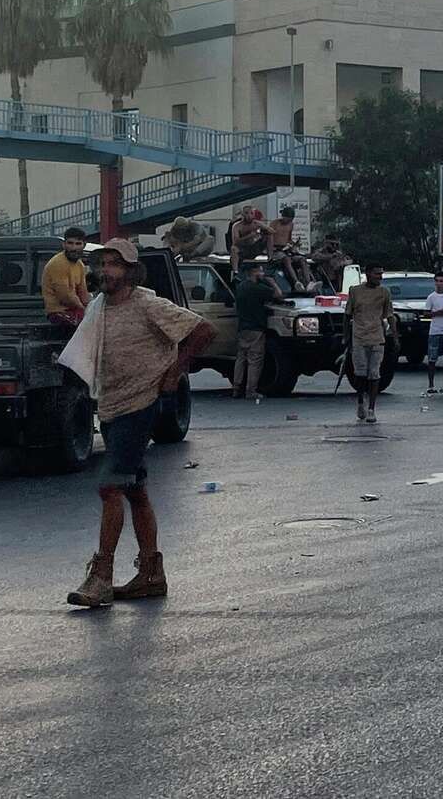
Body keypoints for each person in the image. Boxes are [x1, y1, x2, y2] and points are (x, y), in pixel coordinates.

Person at [63, 239, 214, 609]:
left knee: (110, 487)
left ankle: (101, 577)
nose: (107, 271)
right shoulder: (98, 306)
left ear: (131, 271)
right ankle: (151, 573)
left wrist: (175, 372)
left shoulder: (148, 304)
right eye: (103, 264)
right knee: (136, 490)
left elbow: (203, 330)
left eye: (115, 265)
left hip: (141, 404)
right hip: (111, 406)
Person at [344, 263, 397, 423]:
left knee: (374, 374)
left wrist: (395, 337)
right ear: (367, 274)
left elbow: (390, 315)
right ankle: (361, 401)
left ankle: (372, 409)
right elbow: (347, 315)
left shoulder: (384, 292)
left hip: (377, 338)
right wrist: (346, 337)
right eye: (376, 274)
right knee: (360, 374)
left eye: (381, 274)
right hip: (359, 338)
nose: (379, 277)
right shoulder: (355, 291)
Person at [232, 259, 280, 403]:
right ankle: (251, 391)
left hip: (243, 328)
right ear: (254, 272)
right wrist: (271, 282)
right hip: (256, 329)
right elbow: (278, 295)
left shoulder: (241, 287)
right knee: (255, 361)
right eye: (260, 271)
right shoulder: (257, 289)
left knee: (241, 359)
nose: (262, 273)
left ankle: (236, 388)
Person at [42, 227, 91, 328]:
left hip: (74, 310)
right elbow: (65, 296)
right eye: (70, 243)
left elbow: (83, 292)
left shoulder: (80, 265)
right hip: (58, 312)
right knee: (85, 327)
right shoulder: (58, 263)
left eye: (78, 244)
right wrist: (84, 309)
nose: (74, 248)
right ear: (64, 244)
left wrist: (91, 307)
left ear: (84, 245)